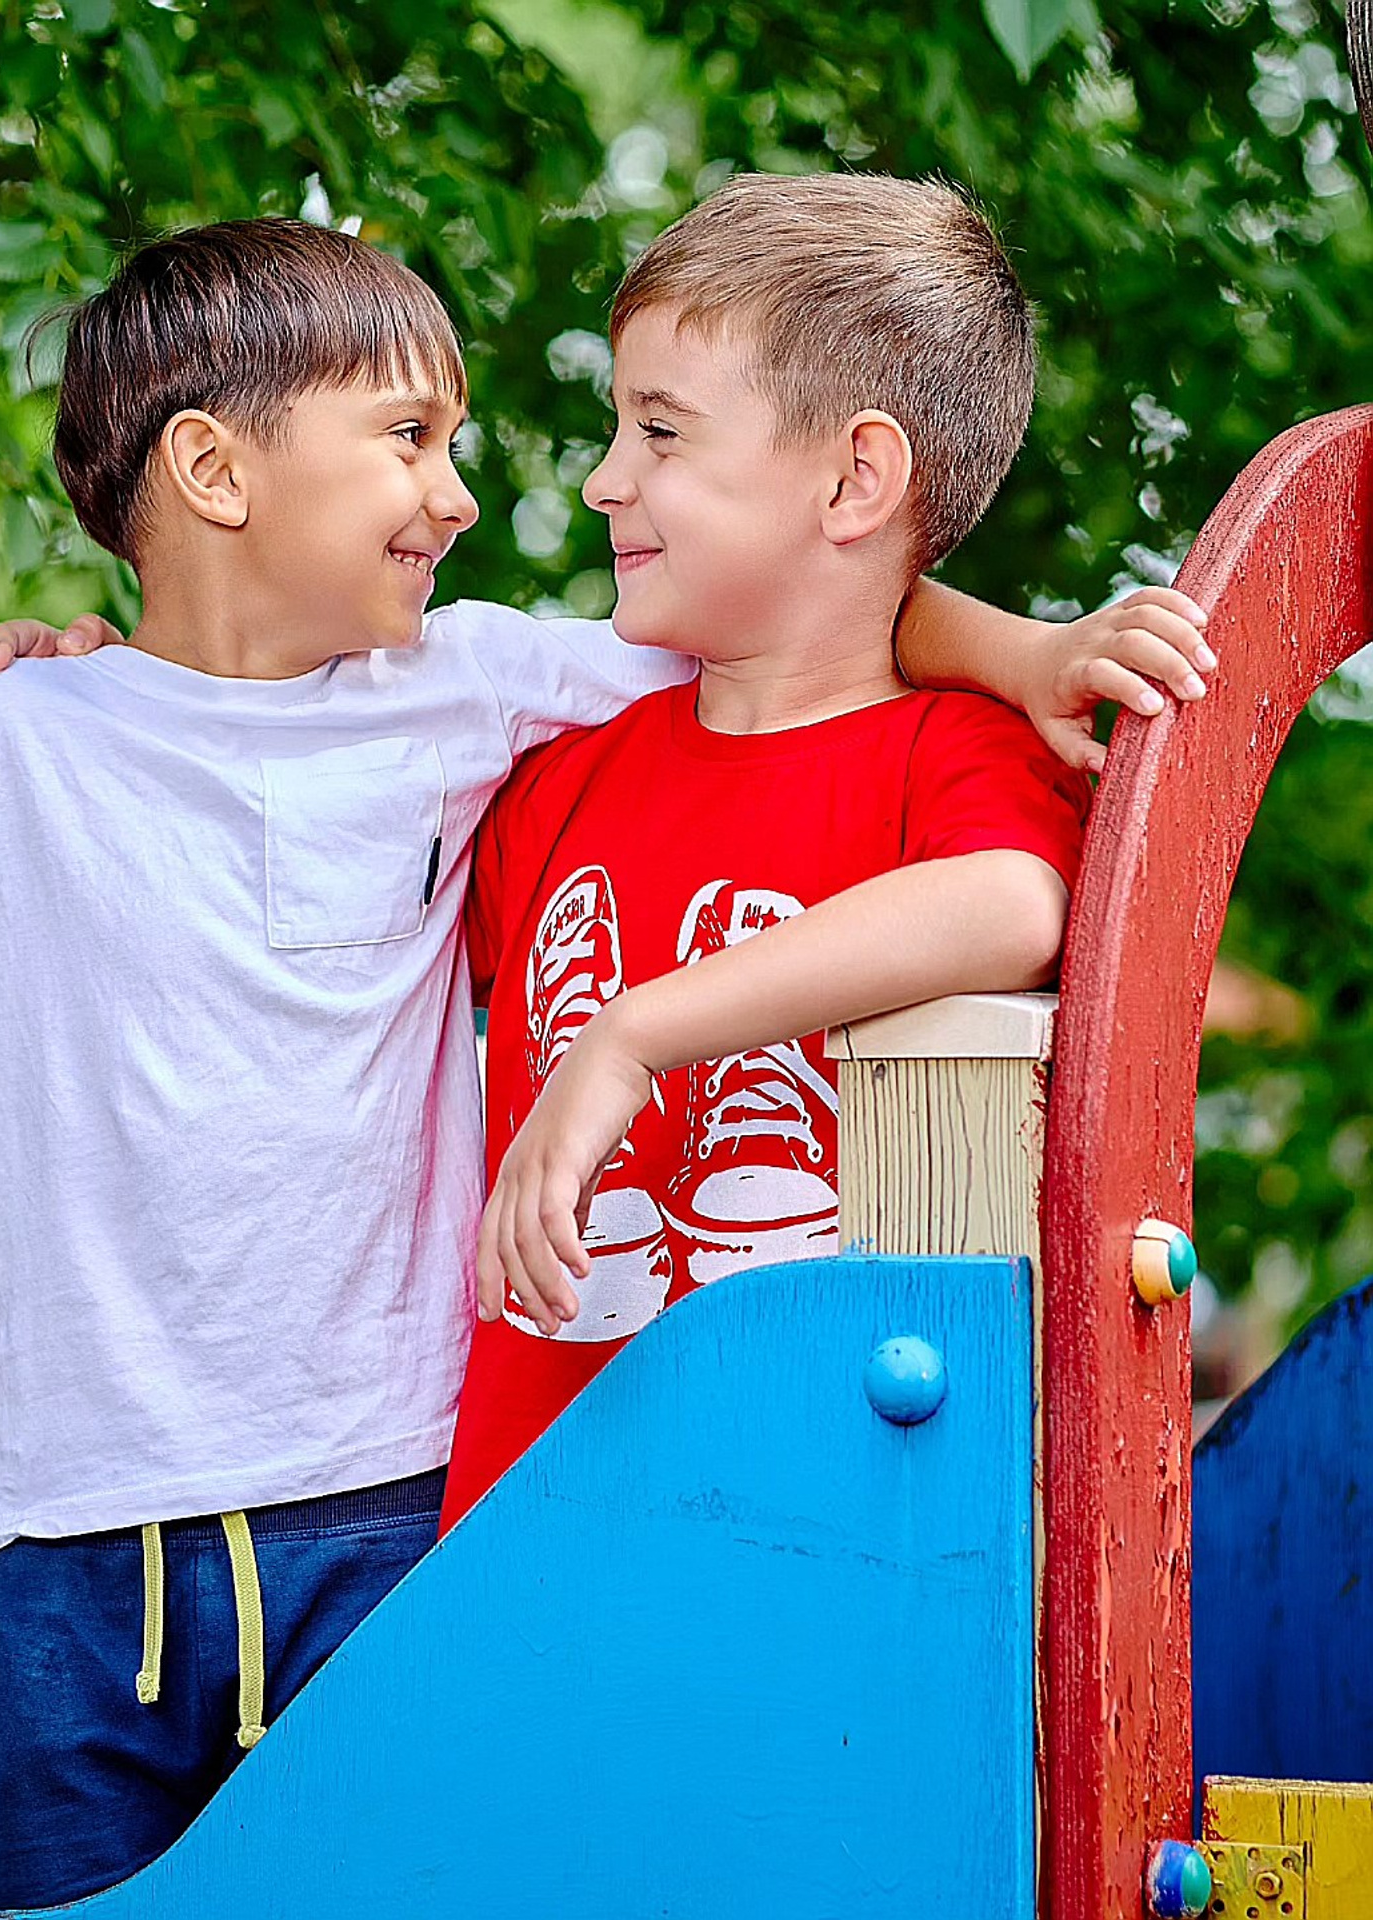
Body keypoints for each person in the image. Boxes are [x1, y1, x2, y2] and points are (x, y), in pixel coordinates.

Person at [0, 213, 1203, 1907]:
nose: (474, 493)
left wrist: (1029, 652)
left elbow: (836, 608)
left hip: (396, 1523)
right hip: (63, 1555)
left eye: (630, 434)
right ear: (215, 473)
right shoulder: (1, 743)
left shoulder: (475, 686)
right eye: (409, 441)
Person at [440, 173, 1109, 1525]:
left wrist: (632, 1033)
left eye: (661, 431)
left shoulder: (955, 760)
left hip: (821, 1551)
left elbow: (1014, 902)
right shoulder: (553, 781)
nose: (604, 477)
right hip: (517, 1552)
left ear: (854, 478)